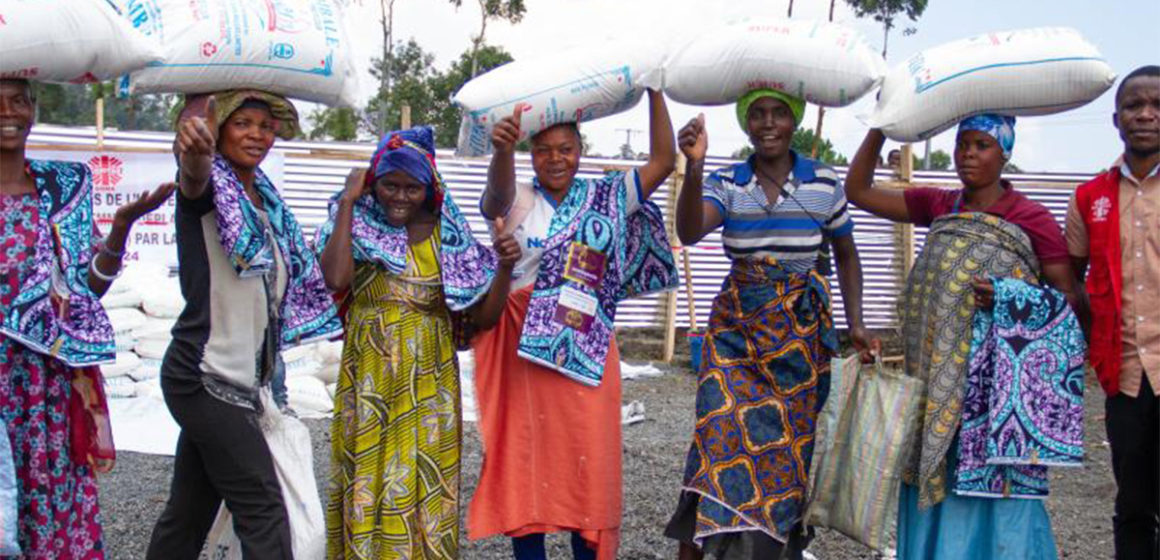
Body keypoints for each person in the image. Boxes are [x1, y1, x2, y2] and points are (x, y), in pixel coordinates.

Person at [844, 115, 1083, 559]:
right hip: (934, 381)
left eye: (982, 145)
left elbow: (1067, 298)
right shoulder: (940, 205)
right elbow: (857, 191)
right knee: (938, 475)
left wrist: (1009, 297)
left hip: (994, 392)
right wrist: (882, 125)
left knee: (999, 490)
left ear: (1005, 153)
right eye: (962, 144)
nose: (968, 154)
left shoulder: (1030, 217)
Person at [664, 89, 878, 560]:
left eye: (779, 113)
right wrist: (695, 167)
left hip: (797, 345)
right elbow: (690, 231)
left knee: (783, 456)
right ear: (745, 123)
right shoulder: (727, 181)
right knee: (716, 440)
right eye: (757, 114)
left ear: (794, 120)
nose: (767, 123)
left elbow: (847, 255)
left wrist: (857, 324)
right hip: (735, 337)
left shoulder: (823, 182)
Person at [468, 89, 678, 560]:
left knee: (588, 463)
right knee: (526, 460)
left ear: (581, 150)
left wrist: (655, 88)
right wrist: (502, 151)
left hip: (586, 346)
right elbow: (493, 199)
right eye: (543, 150)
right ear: (530, 154)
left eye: (565, 149)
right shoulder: (518, 199)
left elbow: (664, 161)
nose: (555, 159)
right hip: (521, 347)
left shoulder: (606, 197)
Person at [146, 91, 341, 559]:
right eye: (243, 123)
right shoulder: (208, 193)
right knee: (264, 509)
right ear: (219, 131)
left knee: (189, 513)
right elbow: (194, 175)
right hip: (204, 376)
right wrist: (195, 152)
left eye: (266, 126)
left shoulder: (267, 208)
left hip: (243, 382)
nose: (257, 135)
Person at [317, 126, 520, 559]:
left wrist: (504, 268)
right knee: (367, 474)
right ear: (373, 181)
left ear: (429, 187)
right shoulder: (356, 224)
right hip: (368, 378)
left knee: (421, 481)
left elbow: (482, 318)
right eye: (389, 185)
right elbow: (335, 278)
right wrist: (348, 203)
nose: (400, 197)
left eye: (413, 188)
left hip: (429, 382)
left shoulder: (449, 237)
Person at [0, 78, 174, 558]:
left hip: (45, 382)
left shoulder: (61, 189)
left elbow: (86, 291)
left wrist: (120, 228)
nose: (8, 112)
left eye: (18, 101)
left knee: (48, 492)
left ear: (34, 109)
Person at [1066, 65, 1160, 560]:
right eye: (1133, 105)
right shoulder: (1090, 197)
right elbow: (1071, 279)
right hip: (1124, 374)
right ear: (1116, 119)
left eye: (1157, 106)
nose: (1145, 115)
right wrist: (1094, 339)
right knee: (1134, 504)